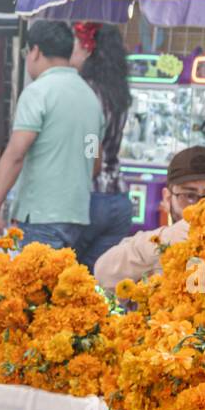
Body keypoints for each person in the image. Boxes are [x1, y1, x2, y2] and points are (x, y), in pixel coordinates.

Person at [0, 20, 104, 250]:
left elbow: (16, 154)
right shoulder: (90, 98)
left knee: (27, 283)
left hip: (40, 216)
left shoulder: (39, 92)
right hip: (77, 217)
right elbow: (94, 162)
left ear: (35, 51)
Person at [93, 146, 205, 289]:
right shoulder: (152, 243)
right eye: (189, 196)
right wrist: (165, 240)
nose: (201, 206)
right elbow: (103, 272)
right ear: (167, 198)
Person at [72, 22, 134, 271]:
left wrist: (88, 165)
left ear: (89, 50)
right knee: (95, 280)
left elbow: (90, 146)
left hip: (92, 198)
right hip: (119, 199)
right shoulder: (117, 91)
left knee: (68, 278)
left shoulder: (88, 91)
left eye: (76, 46)